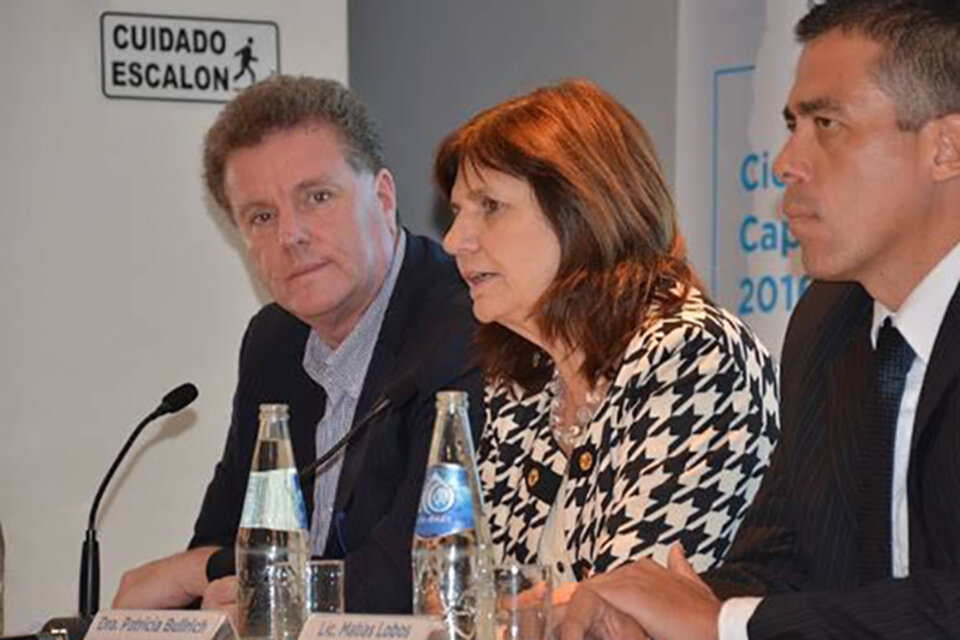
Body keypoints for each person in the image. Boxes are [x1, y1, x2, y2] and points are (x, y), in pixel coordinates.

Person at [557, 1, 960, 639]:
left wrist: (723, 622)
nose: (785, 162)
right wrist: (642, 612)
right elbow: (780, 564)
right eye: (793, 125)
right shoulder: (828, 322)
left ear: (946, 148)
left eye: (827, 123)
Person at [112, 75, 481, 615]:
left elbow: (411, 576)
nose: (291, 236)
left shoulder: (462, 324)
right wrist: (213, 572)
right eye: (262, 217)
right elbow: (224, 534)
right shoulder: (273, 341)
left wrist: (205, 571)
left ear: (382, 197)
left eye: (317, 198)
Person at [436, 80, 780, 596]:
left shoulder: (694, 355)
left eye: (490, 205)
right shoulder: (525, 381)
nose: (453, 241)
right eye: (457, 211)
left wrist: (520, 612)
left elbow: (631, 610)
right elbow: (473, 594)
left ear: (582, 208)